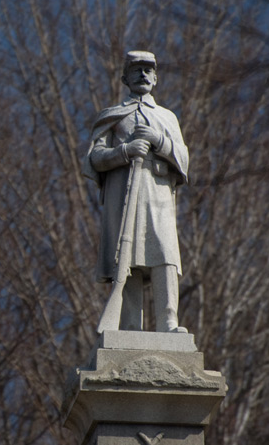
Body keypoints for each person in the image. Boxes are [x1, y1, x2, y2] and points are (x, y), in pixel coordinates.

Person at [82, 51, 189, 333]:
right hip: (124, 195)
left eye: (148, 70)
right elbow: (94, 158)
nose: (143, 74)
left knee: (165, 254)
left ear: (155, 77)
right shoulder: (113, 116)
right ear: (125, 77)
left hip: (158, 195)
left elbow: (184, 159)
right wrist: (125, 151)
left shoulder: (167, 117)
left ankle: (169, 321)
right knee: (126, 259)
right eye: (137, 69)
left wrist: (158, 140)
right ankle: (130, 325)